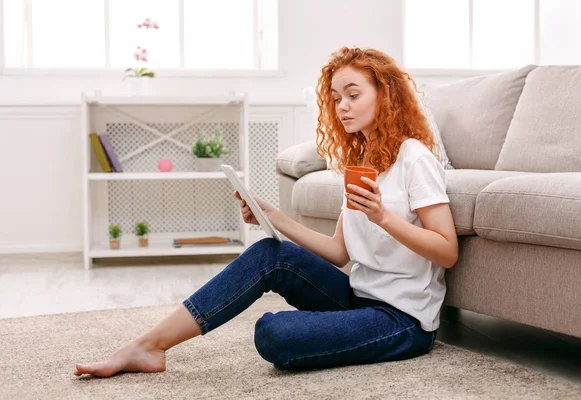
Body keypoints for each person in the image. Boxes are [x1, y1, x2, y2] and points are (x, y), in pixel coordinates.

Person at [74, 47, 458, 377]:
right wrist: (274, 217)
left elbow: (446, 250)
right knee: (268, 254)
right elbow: (340, 251)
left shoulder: (414, 158)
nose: (342, 106)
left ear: (385, 95)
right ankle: (148, 345)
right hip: (358, 296)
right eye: (337, 97)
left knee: (274, 334)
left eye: (353, 94)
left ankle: (340, 331)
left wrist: (383, 218)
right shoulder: (361, 159)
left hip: (403, 321)